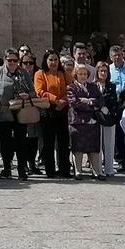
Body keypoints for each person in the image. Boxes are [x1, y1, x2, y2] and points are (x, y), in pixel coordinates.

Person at [0, 50, 37, 180]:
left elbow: (33, 92)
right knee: (5, 142)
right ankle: (7, 168)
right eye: (10, 60)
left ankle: (21, 168)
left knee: (21, 141)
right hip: (3, 111)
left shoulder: (23, 73)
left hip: (20, 111)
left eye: (15, 60)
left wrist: (27, 95)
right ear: (4, 60)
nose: (12, 63)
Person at [34, 50, 70, 178]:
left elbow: (71, 88)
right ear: (46, 61)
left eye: (55, 59)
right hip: (47, 111)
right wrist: (56, 100)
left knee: (64, 142)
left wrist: (63, 101)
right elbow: (40, 91)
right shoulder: (40, 74)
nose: (53, 62)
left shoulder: (63, 73)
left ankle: (64, 169)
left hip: (62, 110)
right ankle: (50, 170)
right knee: (48, 143)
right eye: (51, 60)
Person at [66, 62, 101, 178]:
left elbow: (100, 101)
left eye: (85, 74)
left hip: (93, 122)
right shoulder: (71, 87)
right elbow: (74, 103)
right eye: (80, 74)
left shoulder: (93, 86)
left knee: (94, 148)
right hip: (77, 122)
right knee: (78, 147)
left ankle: (96, 171)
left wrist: (87, 101)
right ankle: (78, 171)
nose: (83, 76)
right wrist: (91, 104)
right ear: (76, 75)